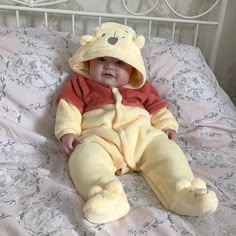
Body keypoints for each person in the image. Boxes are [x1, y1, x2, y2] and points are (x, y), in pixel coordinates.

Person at [54, 22, 218, 224]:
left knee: (167, 151)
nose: (109, 66)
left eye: (119, 62)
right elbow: (69, 107)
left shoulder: (142, 87)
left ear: (132, 67)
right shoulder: (80, 83)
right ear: (89, 61)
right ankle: (106, 194)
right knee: (83, 158)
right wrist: (67, 131)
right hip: (101, 139)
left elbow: (158, 109)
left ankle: (182, 191)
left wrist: (167, 126)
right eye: (102, 59)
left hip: (143, 137)